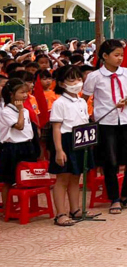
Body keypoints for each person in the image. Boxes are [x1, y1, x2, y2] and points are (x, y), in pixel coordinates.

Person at [83, 40, 127, 215]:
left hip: (125, 120)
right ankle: (114, 199)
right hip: (105, 122)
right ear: (104, 56)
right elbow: (85, 98)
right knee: (110, 162)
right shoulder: (94, 77)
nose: (119, 59)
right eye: (116, 55)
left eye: (121, 55)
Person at [48, 67, 88, 226]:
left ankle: (75, 209)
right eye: (72, 80)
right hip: (65, 141)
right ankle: (60, 214)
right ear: (61, 83)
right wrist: (59, 150)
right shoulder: (59, 102)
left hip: (80, 140)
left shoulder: (82, 101)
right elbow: (56, 127)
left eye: (79, 79)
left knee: (76, 176)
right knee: (62, 178)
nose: (77, 83)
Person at [0, 78, 38, 203]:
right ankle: (7, 208)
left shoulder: (26, 111)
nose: (25, 95)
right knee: (9, 180)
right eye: (22, 92)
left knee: (30, 178)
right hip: (12, 148)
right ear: (11, 94)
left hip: (27, 146)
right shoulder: (6, 111)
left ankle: (31, 206)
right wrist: (21, 110)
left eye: (26, 92)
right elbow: (19, 126)